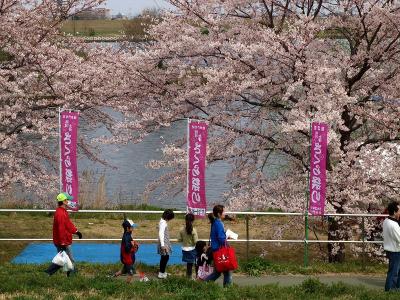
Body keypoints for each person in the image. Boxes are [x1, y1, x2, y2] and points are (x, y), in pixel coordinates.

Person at [45, 192, 82, 276]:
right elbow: (61, 229)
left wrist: (76, 231)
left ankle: (67, 274)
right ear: (64, 201)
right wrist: (62, 243)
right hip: (63, 241)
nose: (69, 201)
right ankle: (50, 273)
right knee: (66, 259)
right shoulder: (60, 214)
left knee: (64, 259)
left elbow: (68, 224)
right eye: (68, 200)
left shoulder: (63, 211)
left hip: (64, 240)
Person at [204, 204, 232, 287]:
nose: (225, 213)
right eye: (224, 212)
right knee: (226, 271)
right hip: (220, 250)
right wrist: (227, 238)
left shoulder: (215, 222)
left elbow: (218, 236)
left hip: (216, 249)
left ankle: (204, 284)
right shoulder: (219, 223)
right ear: (219, 214)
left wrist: (225, 236)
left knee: (217, 272)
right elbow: (220, 238)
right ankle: (228, 289)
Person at [112, 219, 138, 283]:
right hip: (127, 259)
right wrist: (132, 245)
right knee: (131, 273)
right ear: (127, 228)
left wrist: (133, 244)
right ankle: (126, 285)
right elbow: (127, 249)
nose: (133, 228)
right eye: (132, 227)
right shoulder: (126, 237)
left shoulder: (128, 235)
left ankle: (112, 277)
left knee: (123, 271)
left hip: (127, 258)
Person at [383, 201, 400, 291]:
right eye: (399, 211)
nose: (399, 213)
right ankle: (390, 289)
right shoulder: (393, 225)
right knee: (394, 272)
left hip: (391, 249)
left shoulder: (386, 221)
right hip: (395, 251)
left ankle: (396, 287)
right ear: (394, 212)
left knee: (395, 271)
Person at [178, 213, 198, 279]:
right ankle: (196, 277)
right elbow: (195, 241)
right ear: (193, 220)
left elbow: (179, 240)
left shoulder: (181, 229)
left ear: (185, 220)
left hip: (184, 249)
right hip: (192, 249)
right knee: (195, 263)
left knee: (189, 264)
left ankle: (188, 277)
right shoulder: (194, 230)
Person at [157, 209, 175, 279]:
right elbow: (161, 233)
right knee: (165, 257)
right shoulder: (163, 223)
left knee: (164, 257)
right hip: (164, 242)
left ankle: (162, 271)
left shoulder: (162, 221)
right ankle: (161, 273)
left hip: (164, 242)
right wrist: (162, 245)